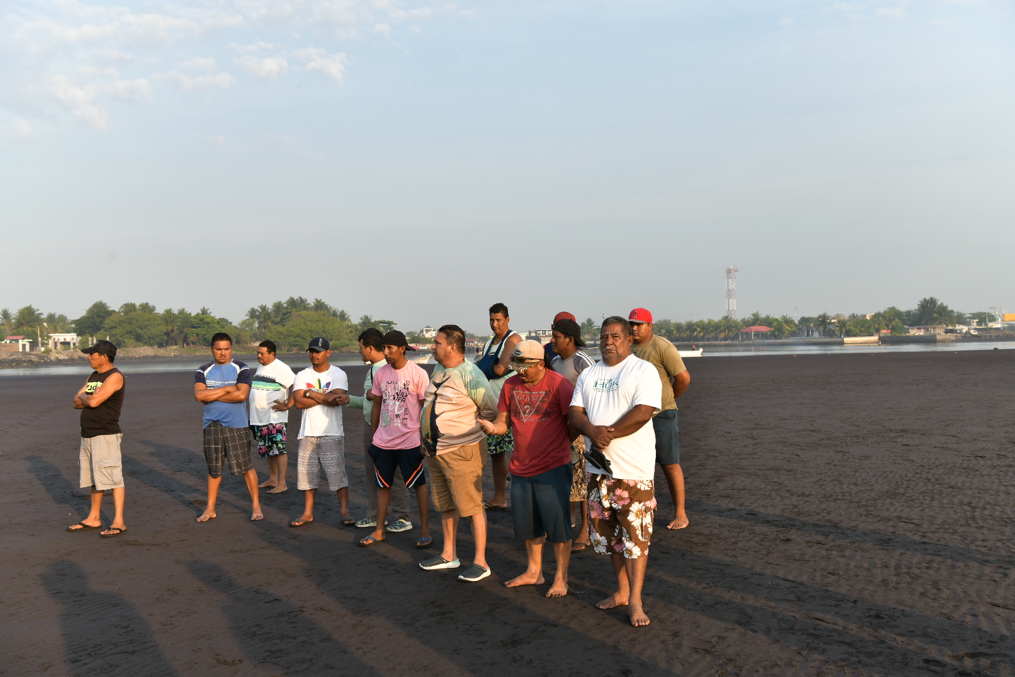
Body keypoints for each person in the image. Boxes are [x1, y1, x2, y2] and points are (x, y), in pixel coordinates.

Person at [569, 316, 662, 627]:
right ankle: (621, 591)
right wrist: (591, 432)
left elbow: (644, 411)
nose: (608, 342)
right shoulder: (589, 374)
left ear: (629, 340)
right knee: (611, 539)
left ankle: (636, 600)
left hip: (634, 471)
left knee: (636, 539)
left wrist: (607, 434)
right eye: (603, 337)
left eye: (615, 336)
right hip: (598, 471)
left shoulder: (642, 370)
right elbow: (575, 413)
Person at [479, 340, 576, 598]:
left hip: (553, 467)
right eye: (516, 364)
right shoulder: (510, 385)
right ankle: (534, 571)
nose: (519, 371)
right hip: (521, 467)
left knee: (558, 527)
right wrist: (492, 428)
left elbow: (574, 422)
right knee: (528, 525)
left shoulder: (559, 385)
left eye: (524, 366)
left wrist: (561, 445)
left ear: (541, 364)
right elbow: (503, 422)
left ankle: (561, 577)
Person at [419, 324, 498, 583]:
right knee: (445, 504)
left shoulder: (471, 374)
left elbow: (490, 409)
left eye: (437, 343)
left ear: (452, 347)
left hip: (463, 451)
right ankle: (448, 554)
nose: (433, 347)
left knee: (472, 506)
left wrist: (467, 433)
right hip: (436, 451)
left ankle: (481, 562)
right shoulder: (440, 369)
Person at [360, 331, 432, 548]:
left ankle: (425, 529)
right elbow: (377, 405)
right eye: (384, 348)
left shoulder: (418, 373)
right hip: (384, 441)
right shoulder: (381, 373)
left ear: (402, 349)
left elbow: (426, 409)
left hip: (410, 440)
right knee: (383, 485)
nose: (386, 352)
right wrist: (374, 437)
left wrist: (424, 439)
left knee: (418, 484)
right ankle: (379, 530)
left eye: (390, 348)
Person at [629, 307, 691, 530]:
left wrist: (668, 399)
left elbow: (683, 378)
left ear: (650, 326)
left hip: (662, 414)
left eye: (639, 324)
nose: (634, 329)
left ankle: (680, 513)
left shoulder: (661, 346)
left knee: (669, 463)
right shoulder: (627, 347)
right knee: (637, 465)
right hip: (635, 417)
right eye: (631, 324)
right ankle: (641, 509)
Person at [193, 332, 263, 523]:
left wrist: (211, 395)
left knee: (246, 466)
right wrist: (227, 389)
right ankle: (210, 509)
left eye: (226, 349)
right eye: (218, 349)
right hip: (211, 425)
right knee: (214, 469)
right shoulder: (203, 370)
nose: (222, 353)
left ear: (231, 349)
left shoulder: (241, 368)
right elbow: (199, 396)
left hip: (237, 424)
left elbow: (241, 396)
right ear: (211, 349)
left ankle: (256, 506)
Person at [349, 328, 412, 532]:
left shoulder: (387, 369)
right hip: (372, 425)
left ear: (369, 347)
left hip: (388, 428)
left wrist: (373, 396)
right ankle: (376, 516)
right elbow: (370, 402)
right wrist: (348, 400)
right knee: (373, 474)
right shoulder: (375, 369)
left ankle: (402, 517)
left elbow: (397, 398)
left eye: (361, 347)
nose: (359, 351)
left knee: (394, 474)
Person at [290, 337, 353, 528]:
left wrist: (309, 393)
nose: (314, 355)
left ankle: (344, 511)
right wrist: (325, 396)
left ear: (328, 352)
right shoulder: (302, 375)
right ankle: (307, 512)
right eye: (311, 351)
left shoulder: (338, 373)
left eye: (318, 351)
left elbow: (336, 399)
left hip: (331, 430)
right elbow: (298, 403)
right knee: (307, 475)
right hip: (307, 431)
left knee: (337, 474)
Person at [68, 340, 127, 538]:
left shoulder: (114, 376)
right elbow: (75, 402)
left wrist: (87, 396)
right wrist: (89, 396)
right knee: (95, 478)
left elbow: (93, 401)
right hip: (88, 434)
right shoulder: (93, 376)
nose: (89, 357)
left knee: (114, 477)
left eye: (92, 354)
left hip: (106, 434)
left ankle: (119, 521)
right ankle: (94, 517)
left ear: (104, 357)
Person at [549, 316, 597, 552]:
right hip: (559, 429)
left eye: (556, 337)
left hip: (580, 429)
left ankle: (585, 530)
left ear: (569, 339)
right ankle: (568, 523)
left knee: (581, 482)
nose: (552, 340)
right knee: (564, 480)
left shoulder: (583, 362)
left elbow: (594, 397)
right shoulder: (555, 361)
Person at [477, 302, 522, 510]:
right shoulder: (489, 343)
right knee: (496, 452)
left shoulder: (513, 339)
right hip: (491, 405)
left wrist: (482, 368)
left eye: (498, 320)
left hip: (510, 404)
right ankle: (499, 497)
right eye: (491, 320)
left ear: (507, 320)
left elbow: (499, 369)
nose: (495, 324)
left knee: (516, 450)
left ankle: (513, 497)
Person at [249, 340, 295, 494]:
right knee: (269, 449)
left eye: (262, 353)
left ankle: (282, 483)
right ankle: (273, 479)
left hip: (274, 417)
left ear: (272, 354)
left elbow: (296, 384)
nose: (258, 356)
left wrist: (289, 404)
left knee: (279, 449)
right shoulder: (261, 366)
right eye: (258, 352)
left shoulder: (281, 368)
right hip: (259, 417)